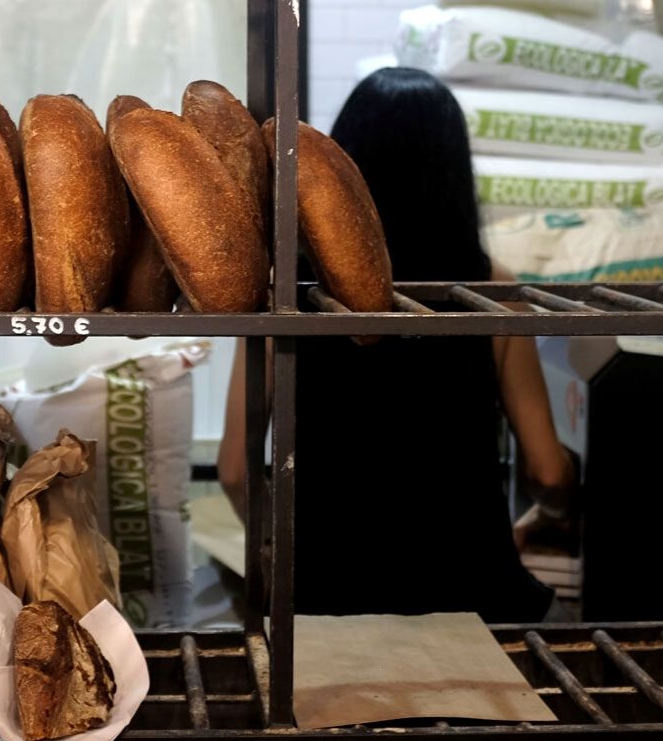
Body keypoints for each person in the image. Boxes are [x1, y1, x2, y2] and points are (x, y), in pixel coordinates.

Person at [216, 66, 577, 623]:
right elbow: (548, 473)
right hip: (471, 598)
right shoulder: (494, 290)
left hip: (325, 598)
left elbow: (237, 472)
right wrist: (549, 516)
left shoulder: (287, 293)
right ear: (454, 169)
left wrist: (279, 554)